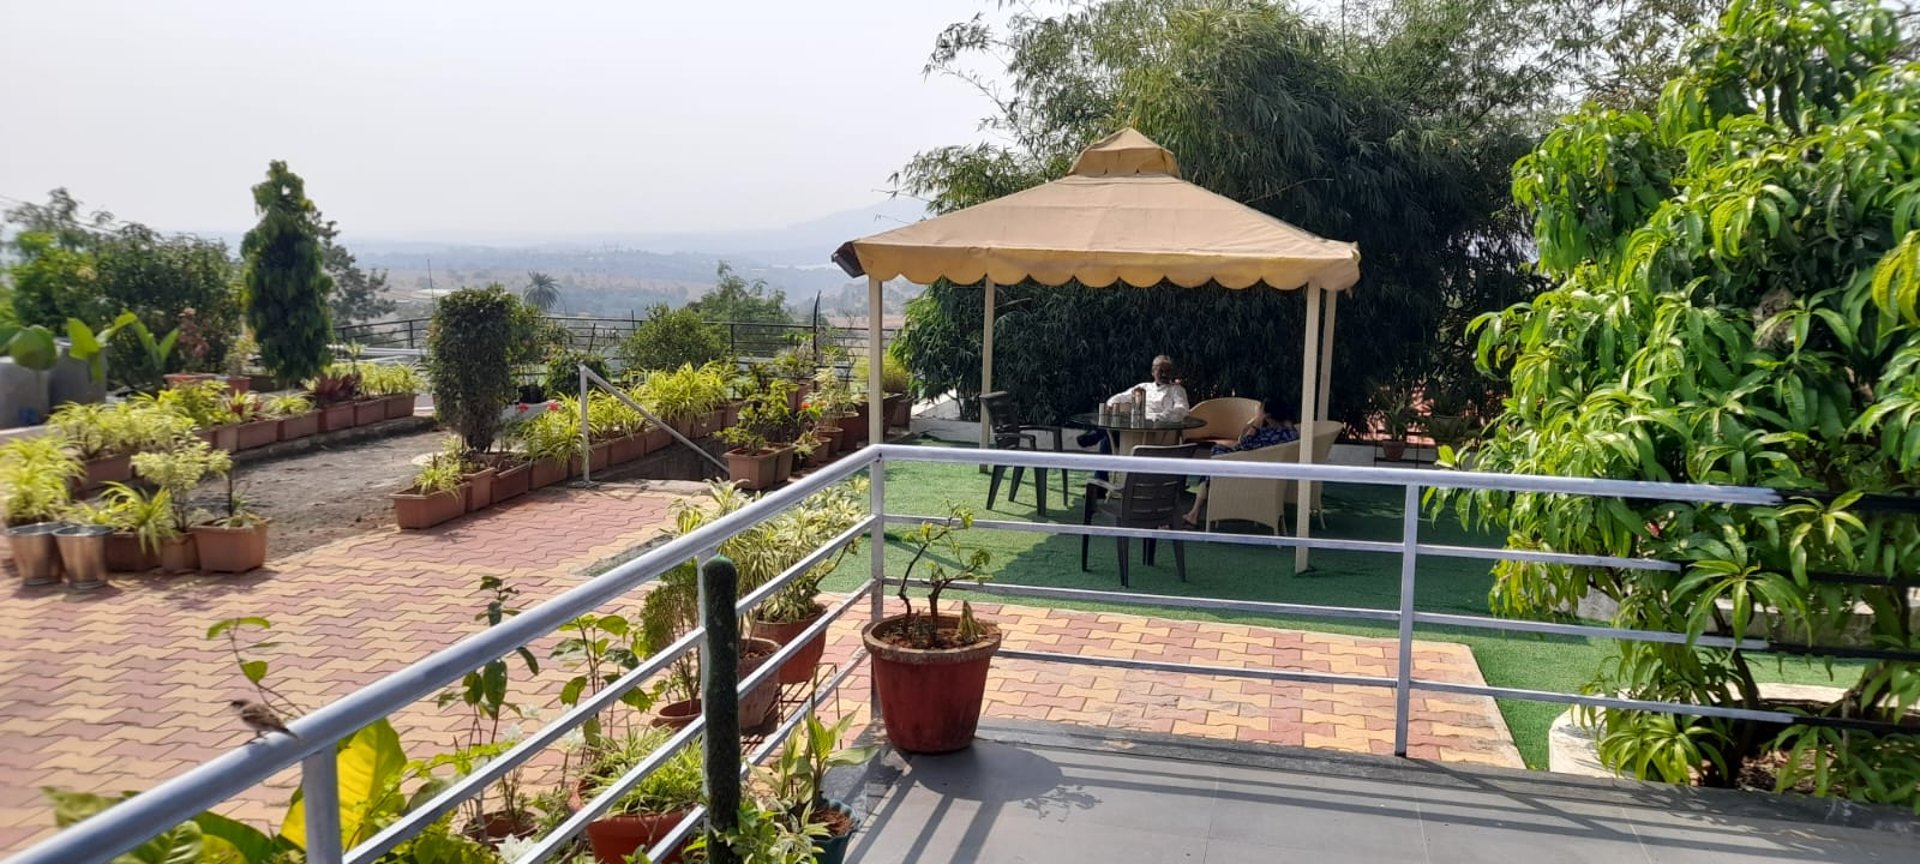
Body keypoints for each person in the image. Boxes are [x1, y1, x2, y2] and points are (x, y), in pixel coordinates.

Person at [1183, 400, 1298, 526]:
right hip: (1262, 471)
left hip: (1245, 471)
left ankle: (1194, 512)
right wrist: (1256, 420)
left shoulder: (1270, 434)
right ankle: (1195, 511)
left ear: (1268, 415)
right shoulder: (1289, 433)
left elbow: (1243, 443)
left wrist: (1256, 423)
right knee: (1212, 466)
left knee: (1214, 461)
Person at [1076, 355, 1190, 450]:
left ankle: (1094, 436)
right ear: (1153, 372)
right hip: (1133, 427)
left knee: (1108, 437)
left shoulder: (1176, 390)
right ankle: (1102, 475)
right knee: (1109, 438)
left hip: (1156, 432)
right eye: (1161, 371)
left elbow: (1182, 409)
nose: (1164, 374)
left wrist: (1160, 417)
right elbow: (1122, 397)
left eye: (1168, 371)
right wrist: (1110, 405)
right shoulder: (1143, 387)